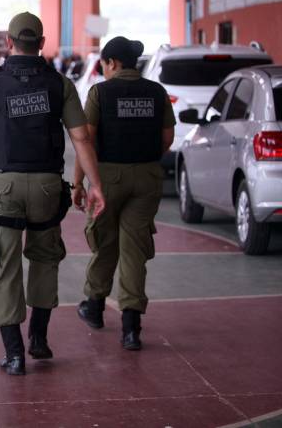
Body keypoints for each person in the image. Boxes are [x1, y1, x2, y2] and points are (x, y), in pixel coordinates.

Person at [0, 12, 105, 376]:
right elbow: (81, 137)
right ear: (41, 42)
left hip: (3, 184)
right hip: (47, 186)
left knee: (4, 265)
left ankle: (14, 354)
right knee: (44, 259)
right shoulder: (60, 84)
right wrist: (94, 184)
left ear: (8, 42)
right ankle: (38, 338)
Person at [73, 36, 175, 351]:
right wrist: (142, 159)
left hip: (106, 177)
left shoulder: (101, 92)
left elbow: (84, 140)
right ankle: (131, 327)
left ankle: (95, 306)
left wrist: (79, 183)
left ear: (112, 63)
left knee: (104, 243)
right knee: (134, 250)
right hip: (146, 177)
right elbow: (167, 137)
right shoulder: (156, 92)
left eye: (104, 64)